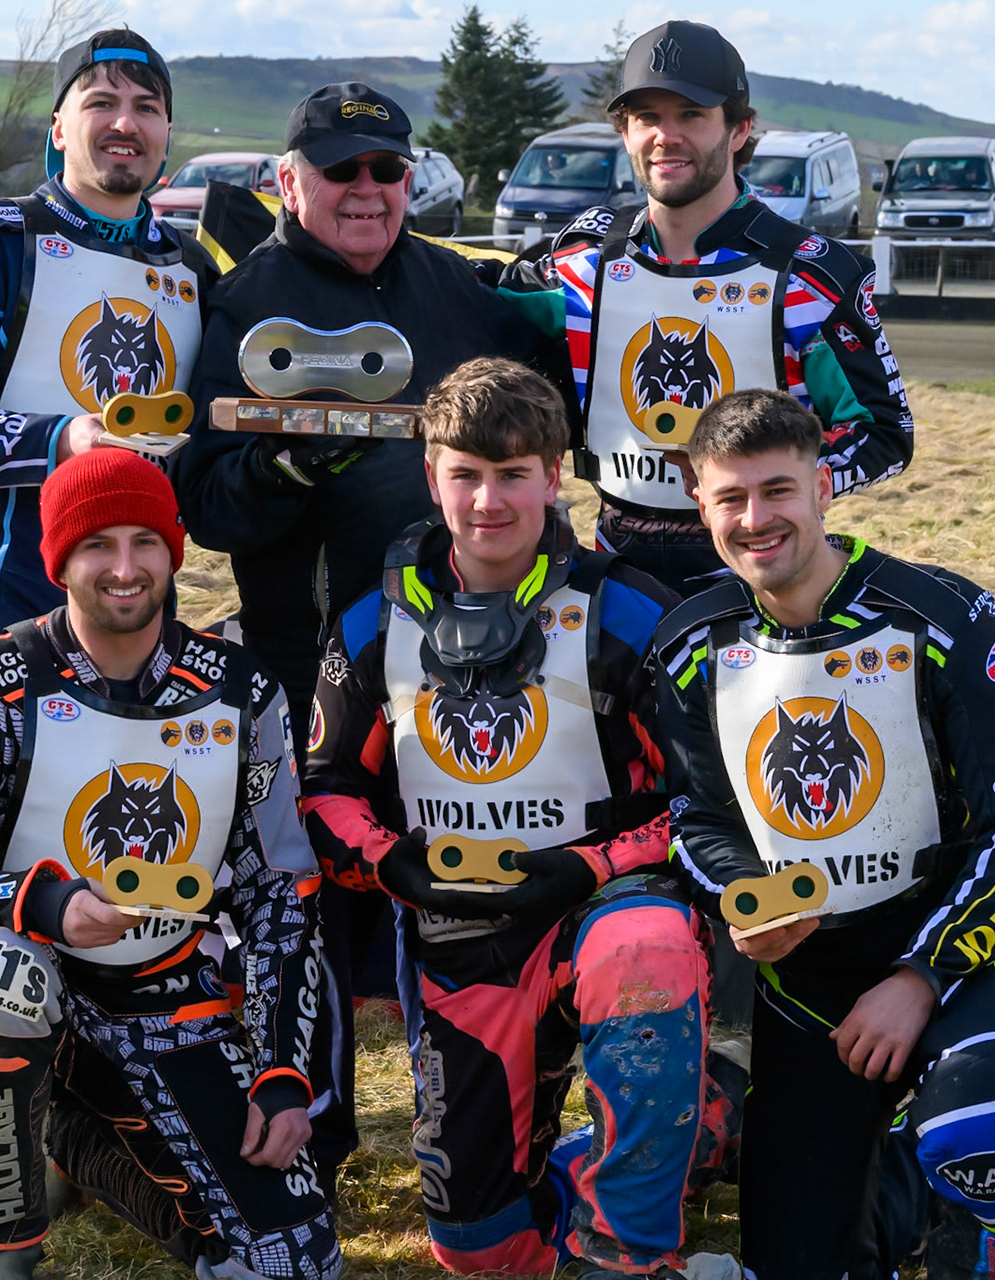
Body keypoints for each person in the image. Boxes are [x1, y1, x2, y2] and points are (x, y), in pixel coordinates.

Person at [168, 81, 551, 1181]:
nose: (370, 190)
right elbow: (204, 502)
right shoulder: (248, 301)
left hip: (472, 664)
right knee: (316, 912)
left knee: (463, 889)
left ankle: (483, 1125)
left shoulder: (455, 287)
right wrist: (289, 464)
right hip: (309, 662)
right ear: (290, 180)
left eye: (389, 168)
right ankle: (315, 1135)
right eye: (342, 170)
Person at [0, 449, 339, 1280]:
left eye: (146, 541)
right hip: (22, 978)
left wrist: (283, 1070)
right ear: (61, 561)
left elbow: (279, 892)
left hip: (166, 997)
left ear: (172, 553)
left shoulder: (239, 691)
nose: (124, 568)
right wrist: (40, 905)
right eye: (97, 546)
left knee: (294, 1261)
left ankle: (77, 1142)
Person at [301, 358, 738, 1278]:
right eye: (465, 472)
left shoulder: (628, 611)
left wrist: (589, 867)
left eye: (512, 473)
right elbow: (325, 789)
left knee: (646, 952)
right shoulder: (369, 626)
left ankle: (626, 1253)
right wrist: (396, 865)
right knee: (480, 1252)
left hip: (603, 909)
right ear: (432, 476)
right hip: (461, 939)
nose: (488, 499)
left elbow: (705, 803)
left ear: (553, 474)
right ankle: (702, 1117)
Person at [653, 389, 995, 1280]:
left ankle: (975, 1209)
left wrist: (922, 975)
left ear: (825, 485)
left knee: (984, 1138)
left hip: (948, 956)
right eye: (730, 498)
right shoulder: (689, 643)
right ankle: (895, 1188)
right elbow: (697, 817)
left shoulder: (947, 617)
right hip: (804, 986)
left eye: (778, 491)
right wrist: (738, 900)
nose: (756, 519)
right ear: (698, 502)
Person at [506, 20, 913, 594]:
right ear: (625, 132)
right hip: (615, 575)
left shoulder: (810, 275)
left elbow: (885, 433)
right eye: (647, 117)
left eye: (691, 115)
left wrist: (777, 489)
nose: (665, 136)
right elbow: (473, 297)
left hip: (761, 577)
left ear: (740, 129)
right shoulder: (582, 259)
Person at [0, 28, 219, 660]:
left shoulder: (195, 268)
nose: (126, 122)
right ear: (58, 127)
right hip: (11, 599)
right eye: (100, 103)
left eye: (147, 107)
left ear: (167, 133)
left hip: (144, 603)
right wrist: (63, 439)